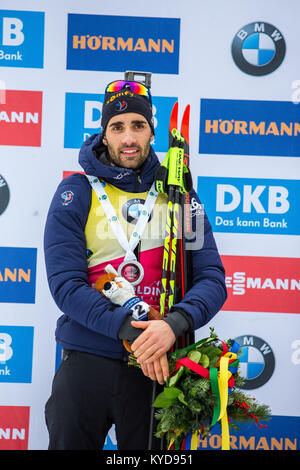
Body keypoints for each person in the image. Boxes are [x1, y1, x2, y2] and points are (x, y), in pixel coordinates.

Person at [43, 79, 227, 450]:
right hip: (88, 356)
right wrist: (135, 331)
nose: (129, 138)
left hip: (158, 365)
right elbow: (65, 284)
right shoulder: (76, 192)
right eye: (118, 126)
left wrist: (173, 324)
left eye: (138, 126)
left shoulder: (178, 195)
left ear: (152, 132)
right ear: (104, 134)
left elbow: (211, 279)